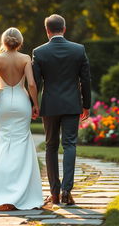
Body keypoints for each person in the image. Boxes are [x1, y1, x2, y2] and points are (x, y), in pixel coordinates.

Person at [0, 27, 43, 211]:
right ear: (19, 42)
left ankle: (0, 193)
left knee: (4, 142)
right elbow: (31, 84)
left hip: (4, 102)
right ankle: (23, 193)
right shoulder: (25, 59)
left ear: (4, 41)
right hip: (22, 101)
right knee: (22, 142)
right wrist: (35, 104)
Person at [32, 14, 91, 205]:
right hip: (72, 104)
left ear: (47, 30)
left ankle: (55, 193)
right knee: (70, 145)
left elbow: (35, 83)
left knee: (50, 146)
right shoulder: (78, 50)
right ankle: (67, 190)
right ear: (64, 29)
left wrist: (34, 104)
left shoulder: (39, 52)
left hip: (50, 106)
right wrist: (86, 105)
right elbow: (86, 80)